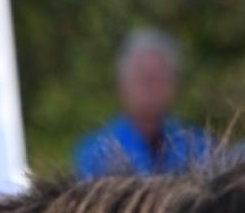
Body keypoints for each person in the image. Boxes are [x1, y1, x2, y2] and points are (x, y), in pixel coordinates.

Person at [73, 27, 211, 179]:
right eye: (142, 78)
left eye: (159, 78)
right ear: (121, 86)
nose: (150, 87)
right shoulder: (97, 152)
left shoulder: (201, 148)